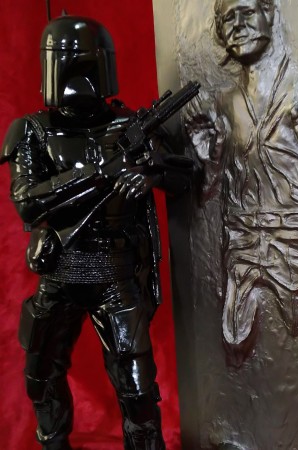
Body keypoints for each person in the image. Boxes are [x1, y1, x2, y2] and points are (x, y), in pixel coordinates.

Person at [1, 15, 189, 450]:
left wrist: (150, 175)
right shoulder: (31, 131)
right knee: (40, 379)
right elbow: (27, 202)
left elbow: (185, 175)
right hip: (60, 273)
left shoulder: (130, 126)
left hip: (116, 275)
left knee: (139, 395)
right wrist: (95, 173)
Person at [186, 0, 298, 360]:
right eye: (228, 18)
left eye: (246, 12)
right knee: (233, 342)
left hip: (291, 239)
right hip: (240, 240)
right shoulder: (222, 104)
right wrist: (209, 162)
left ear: (269, 13)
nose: (238, 25)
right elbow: (205, 196)